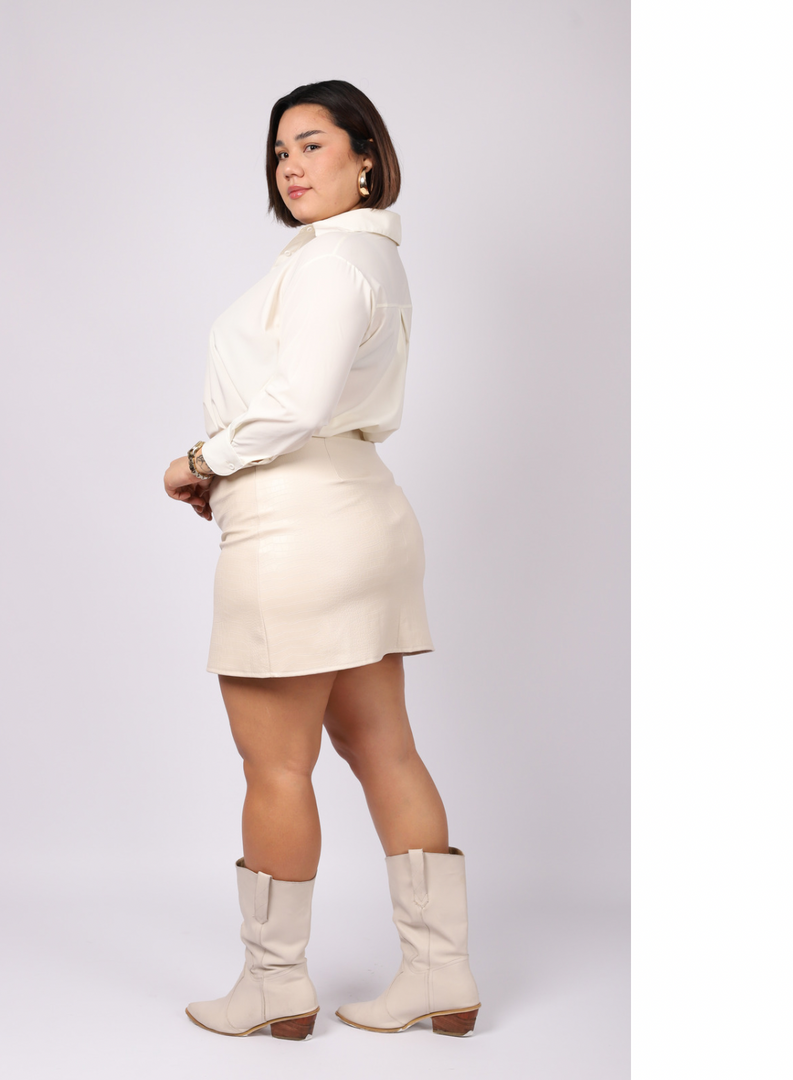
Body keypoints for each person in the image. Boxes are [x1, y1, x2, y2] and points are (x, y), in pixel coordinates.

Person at [163, 80, 480, 1041]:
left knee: (275, 762)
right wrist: (232, 469)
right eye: (279, 152)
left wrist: (201, 461)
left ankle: (274, 985)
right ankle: (440, 974)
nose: (290, 166)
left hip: (297, 530)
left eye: (312, 144)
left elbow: (295, 406)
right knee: (384, 747)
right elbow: (313, 405)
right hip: (358, 514)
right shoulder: (366, 258)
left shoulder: (334, 263)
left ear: (365, 157)